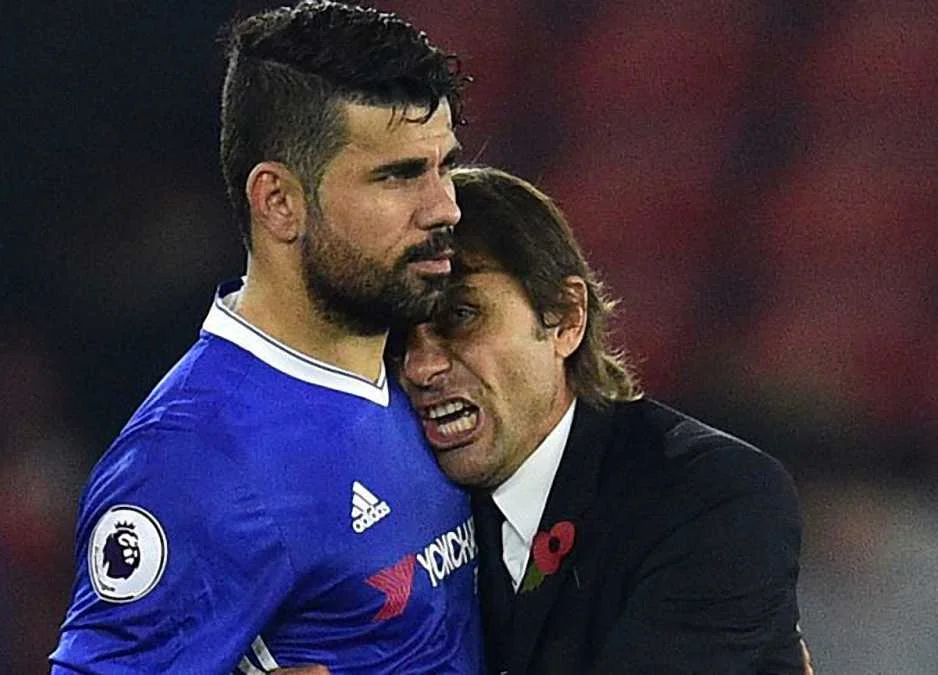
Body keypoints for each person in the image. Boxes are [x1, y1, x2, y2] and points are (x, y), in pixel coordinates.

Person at [50, 2, 482, 673]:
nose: (444, 207)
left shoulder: (433, 361)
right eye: (398, 176)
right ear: (279, 201)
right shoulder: (196, 465)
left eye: (443, 167)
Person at [397, 166, 809, 674]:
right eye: (396, 340)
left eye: (461, 316)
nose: (420, 368)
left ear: (566, 318)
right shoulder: (398, 514)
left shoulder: (712, 499)